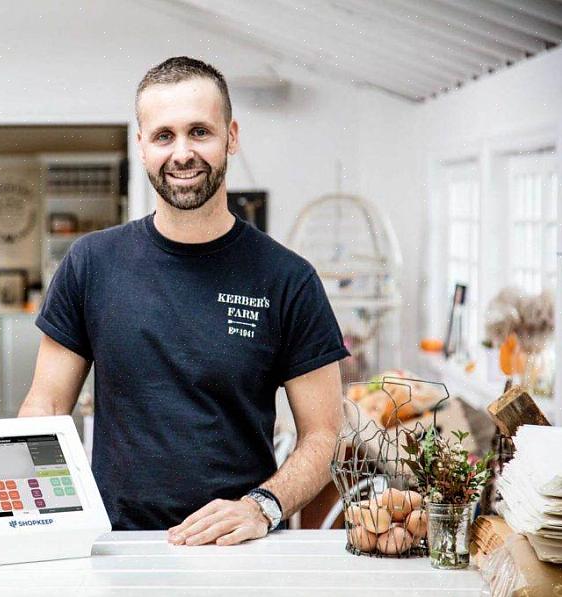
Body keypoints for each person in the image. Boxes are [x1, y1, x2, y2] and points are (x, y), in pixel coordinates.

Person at [19, 56, 349, 546]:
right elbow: (45, 404)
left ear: (231, 137)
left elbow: (326, 435)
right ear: (142, 146)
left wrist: (262, 508)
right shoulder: (91, 262)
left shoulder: (287, 278)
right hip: (115, 546)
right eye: (163, 136)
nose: (182, 153)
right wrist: (31, 514)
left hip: (238, 548)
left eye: (200, 132)